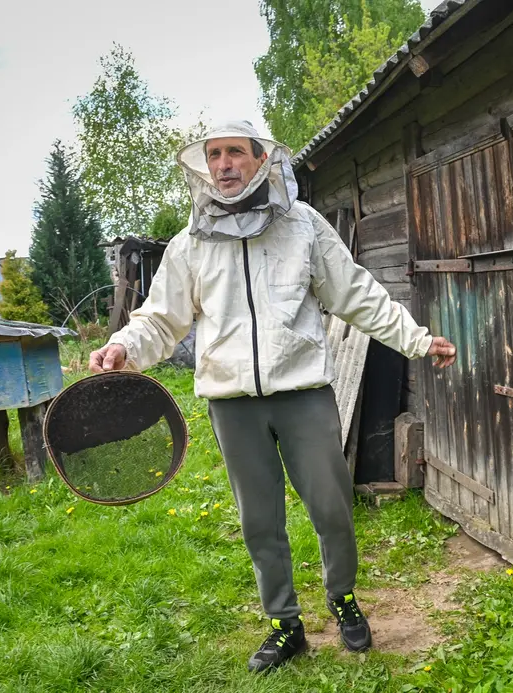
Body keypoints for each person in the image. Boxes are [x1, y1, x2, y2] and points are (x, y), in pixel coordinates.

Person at [89, 121, 456, 673]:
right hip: (232, 403)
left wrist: (417, 339)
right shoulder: (192, 242)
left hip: (302, 393)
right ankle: (286, 624)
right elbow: (161, 318)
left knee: (332, 507)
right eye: (214, 155)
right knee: (259, 519)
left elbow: (355, 292)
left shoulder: (301, 224)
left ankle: (343, 598)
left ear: (261, 161)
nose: (223, 164)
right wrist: (123, 345)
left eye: (235, 152)